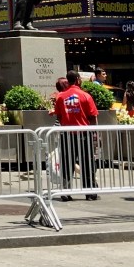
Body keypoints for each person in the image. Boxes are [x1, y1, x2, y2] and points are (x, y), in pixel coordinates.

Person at [53, 70, 99, 201]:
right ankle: (90, 192)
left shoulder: (61, 97)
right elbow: (93, 117)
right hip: (84, 135)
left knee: (67, 164)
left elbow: (59, 116)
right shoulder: (85, 96)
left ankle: (65, 192)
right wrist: (94, 134)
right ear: (78, 79)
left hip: (67, 135)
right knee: (87, 163)